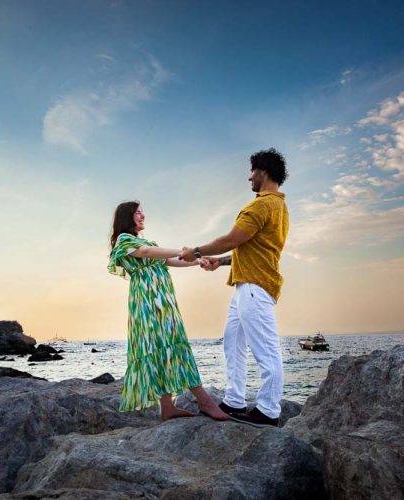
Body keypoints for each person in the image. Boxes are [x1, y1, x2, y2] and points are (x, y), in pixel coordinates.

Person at [181, 148, 289, 428]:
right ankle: (235, 400)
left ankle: (268, 410)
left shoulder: (261, 205)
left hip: (255, 286)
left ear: (262, 172)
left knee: (266, 350)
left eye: (252, 171)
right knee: (232, 342)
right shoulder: (279, 206)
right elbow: (252, 247)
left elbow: (232, 239)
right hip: (246, 285)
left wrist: (194, 251)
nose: (249, 177)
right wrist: (220, 261)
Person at [108, 201, 228, 422]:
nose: (142, 216)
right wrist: (186, 250)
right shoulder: (126, 240)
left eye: (142, 212)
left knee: (164, 344)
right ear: (127, 217)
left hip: (161, 300)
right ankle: (205, 401)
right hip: (148, 301)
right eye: (137, 213)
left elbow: (168, 261)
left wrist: (195, 260)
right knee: (168, 341)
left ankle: (167, 407)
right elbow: (146, 252)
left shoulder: (141, 241)